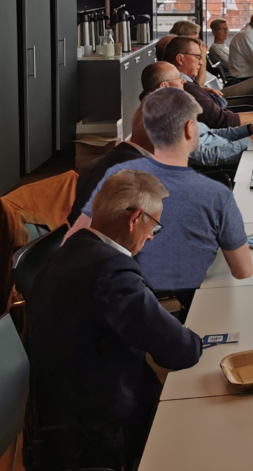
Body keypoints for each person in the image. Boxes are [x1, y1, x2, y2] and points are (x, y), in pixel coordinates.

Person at [28, 169, 202, 469]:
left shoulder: (73, 248)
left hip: (61, 410)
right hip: (98, 431)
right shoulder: (110, 272)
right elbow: (181, 350)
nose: (151, 236)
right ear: (135, 219)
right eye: (155, 227)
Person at [73, 88, 253, 295]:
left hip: (86, 282)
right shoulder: (162, 185)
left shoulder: (94, 167)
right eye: (197, 124)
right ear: (188, 129)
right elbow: (242, 270)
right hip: (139, 289)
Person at [133, 67, 253, 167]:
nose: (184, 81)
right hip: (229, 166)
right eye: (178, 78)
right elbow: (210, 157)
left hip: (239, 150)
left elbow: (210, 133)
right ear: (164, 86)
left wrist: (249, 129)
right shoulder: (162, 120)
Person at [158, 45, 253, 127]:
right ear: (180, 58)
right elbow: (221, 121)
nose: (201, 62)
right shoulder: (187, 88)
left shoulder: (187, 85)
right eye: (197, 57)